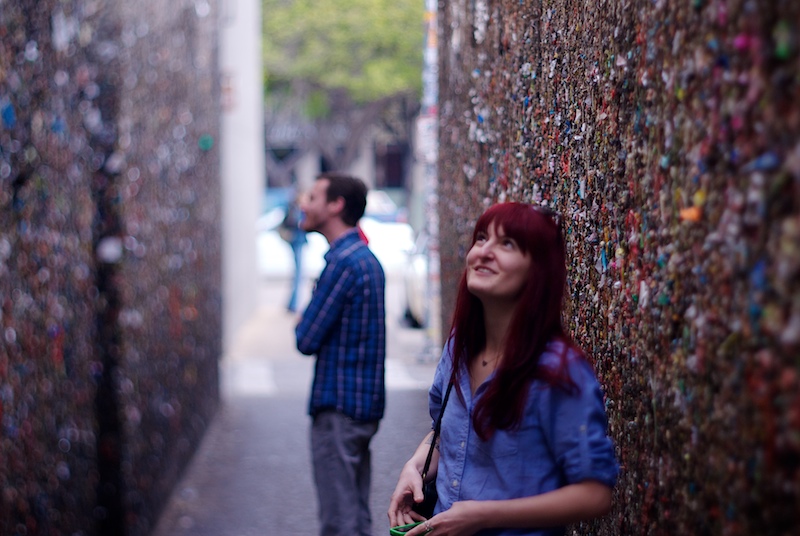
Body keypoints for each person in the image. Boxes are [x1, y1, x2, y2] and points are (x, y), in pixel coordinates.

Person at [388, 202, 619, 536]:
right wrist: (415, 466)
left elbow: (595, 494)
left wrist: (484, 516)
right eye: (481, 239)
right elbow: (446, 436)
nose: (484, 252)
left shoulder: (558, 371)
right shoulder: (458, 348)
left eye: (507, 244)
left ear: (537, 270)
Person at [295, 172, 386, 536]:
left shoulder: (342, 264)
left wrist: (304, 316)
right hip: (362, 407)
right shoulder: (364, 259)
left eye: (313, 197)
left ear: (336, 206)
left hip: (339, 408)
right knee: (356, 511)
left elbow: (306, 338)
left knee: (339, 521)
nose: (304, 204)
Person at [279, 191, 308, 312]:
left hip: (298, 242)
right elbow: (297, 224)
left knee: (298, 275)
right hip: (297, 242)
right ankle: (293, 305)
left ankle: (293, 304)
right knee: (298, 275)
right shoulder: (295, 209)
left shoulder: (294, 208)